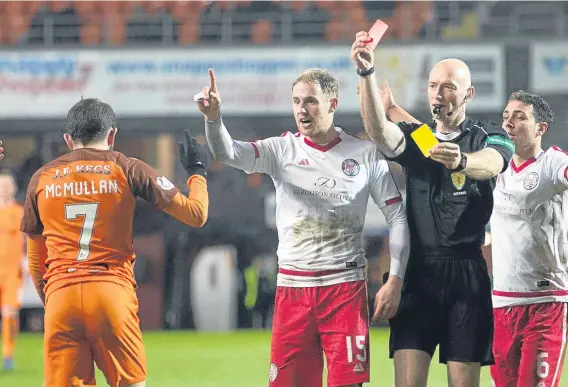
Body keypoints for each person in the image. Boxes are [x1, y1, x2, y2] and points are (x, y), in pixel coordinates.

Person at [199, 67, 410, 387]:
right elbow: (227, 152)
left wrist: (395, 280)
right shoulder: (281, 150)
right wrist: (214, 119)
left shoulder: (364, 153)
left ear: (332, 104)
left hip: (345, 291)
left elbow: (397, 217)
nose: (301, 109)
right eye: (296, 101)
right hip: (293, 291)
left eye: (310, 101)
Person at [351, 32, 514, 387]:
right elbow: (380, 133)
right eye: (433, 85)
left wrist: (463, 162)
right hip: (419, 274)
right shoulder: (420, 141)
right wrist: (367, 74)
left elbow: (493, 164)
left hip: (466, 274)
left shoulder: (488, 137)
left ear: (468, 94)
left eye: (449, 87)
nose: (439, 93)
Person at [20, 98, 209, 387]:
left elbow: (36, 258)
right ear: (112, 135)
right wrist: (197, 172)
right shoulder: (128, 167)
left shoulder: (41, 178)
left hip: (61, 296)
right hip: (111, 294)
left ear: (68, 140)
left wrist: (53, 300)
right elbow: (196, 215)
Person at [488, 91, 568, 387]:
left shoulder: (553, 163)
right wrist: (394, 113)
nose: (509, 123)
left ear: (541, 128)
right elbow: (439, 150)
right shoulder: (495, 165)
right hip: (502, 304)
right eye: (506, 116)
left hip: (546, 302)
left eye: (520, 117)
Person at [0, 169, 25, 371]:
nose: (5, 189)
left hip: (11, 273)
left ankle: (8, 355)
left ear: (14, 188)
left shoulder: (20, 212)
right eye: (2, 185)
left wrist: (25, 260)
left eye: (8, 185)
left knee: (9, 313)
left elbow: (27, 240)